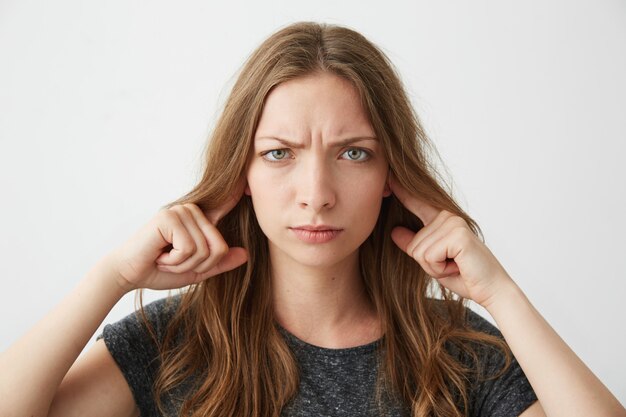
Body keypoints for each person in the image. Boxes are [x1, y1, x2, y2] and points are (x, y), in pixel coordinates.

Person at [0, 21, 623, 417]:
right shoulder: (176, 344)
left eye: (353, 153)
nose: (317, 193)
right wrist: (109, 278)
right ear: (241, 175)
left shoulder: (459, 354)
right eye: (279, 154)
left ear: (390, 176)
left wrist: (501, 294)